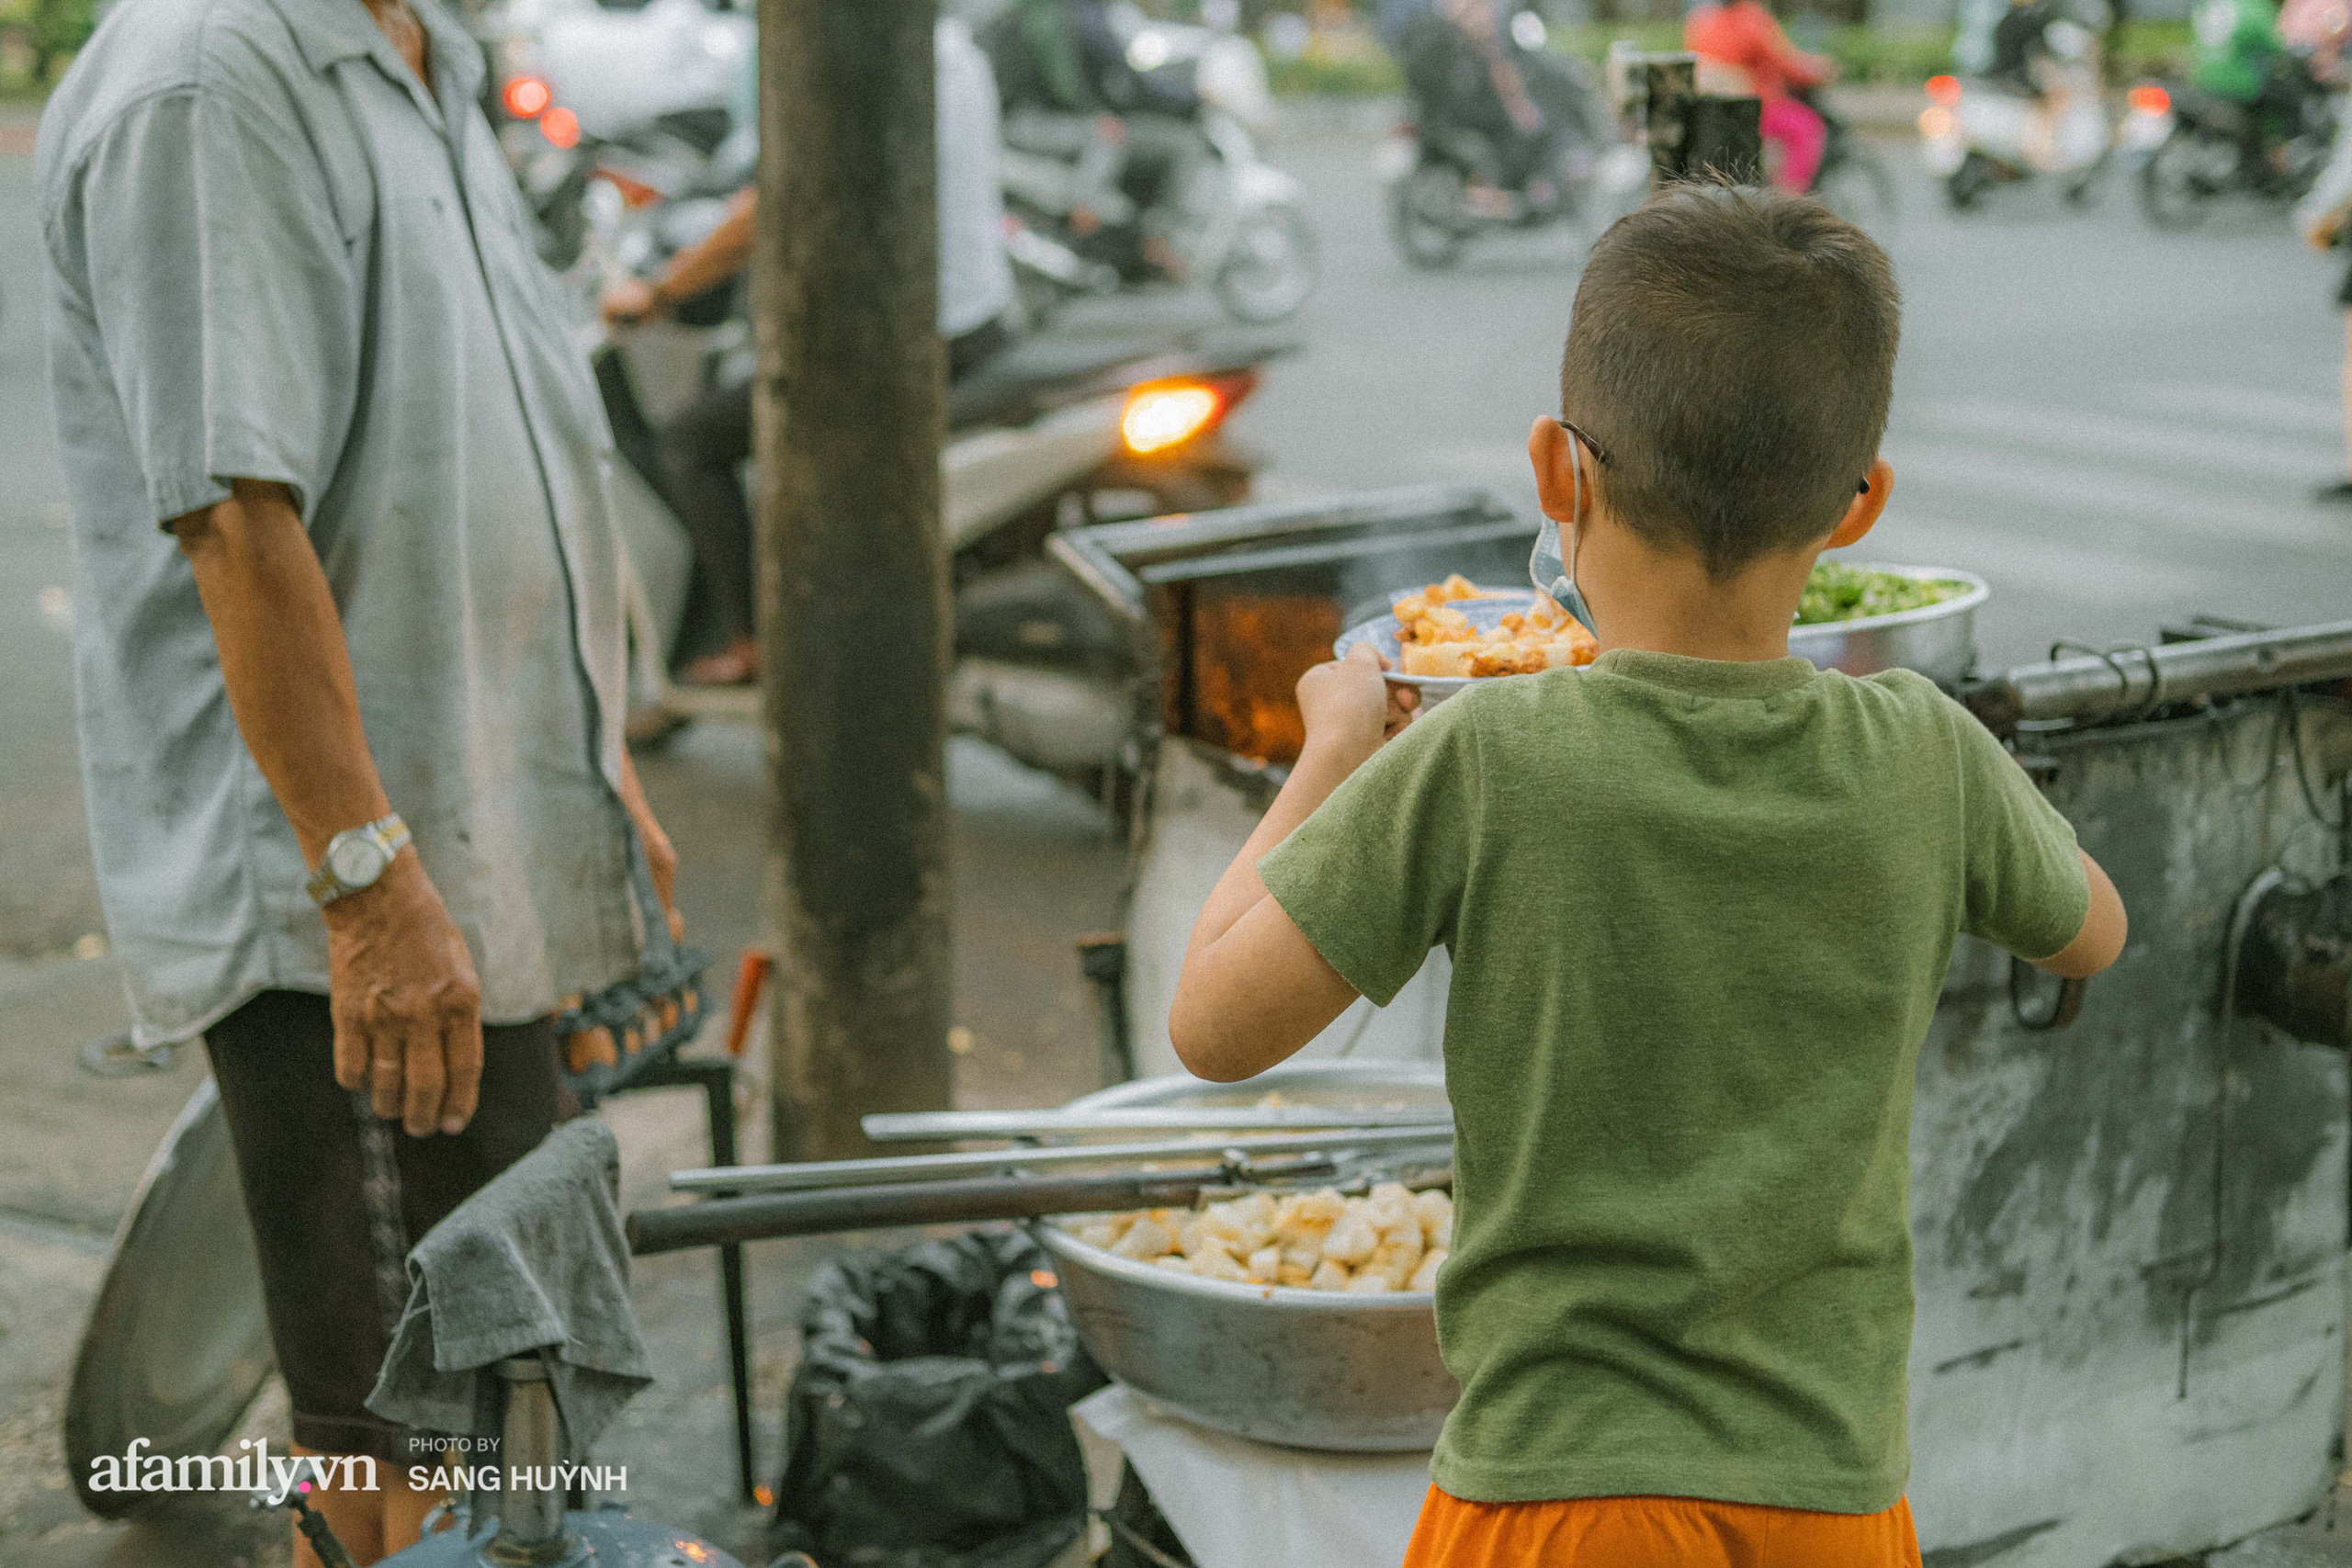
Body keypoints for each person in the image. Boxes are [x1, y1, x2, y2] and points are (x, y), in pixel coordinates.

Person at [1168, 186, 2127, 1567]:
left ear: (1559, 472)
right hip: (1834, 1497)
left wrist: (1327, 752)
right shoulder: (1926, 750)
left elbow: (1212, 1018)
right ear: (1859, 504)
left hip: (1559, 1492)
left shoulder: (1489, 752)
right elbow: (2092, 931)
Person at [37, 0, 682, 1562]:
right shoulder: (205, 72)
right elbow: (238, 521)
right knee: (406, 1435)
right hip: (354, 894)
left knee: (505, 1415)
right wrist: (368, 882)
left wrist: (591, 770)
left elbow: (493, 451)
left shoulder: (426, 55)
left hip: (466, 846)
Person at [602, 17, 1018, 686]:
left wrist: (659, 292)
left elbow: (770, 205)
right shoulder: (949, 48)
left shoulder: (865, 58)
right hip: (977, 316)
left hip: (905, 337)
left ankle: (755, 640)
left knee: (691, 442)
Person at [1684, 0, 1837, 193]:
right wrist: (1819, 70)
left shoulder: (1701, 19)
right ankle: (1790, 197)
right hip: (1754, 105)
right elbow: (1783, 60)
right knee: (1806, 126)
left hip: (1716, 108)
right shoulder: (1750, 18)